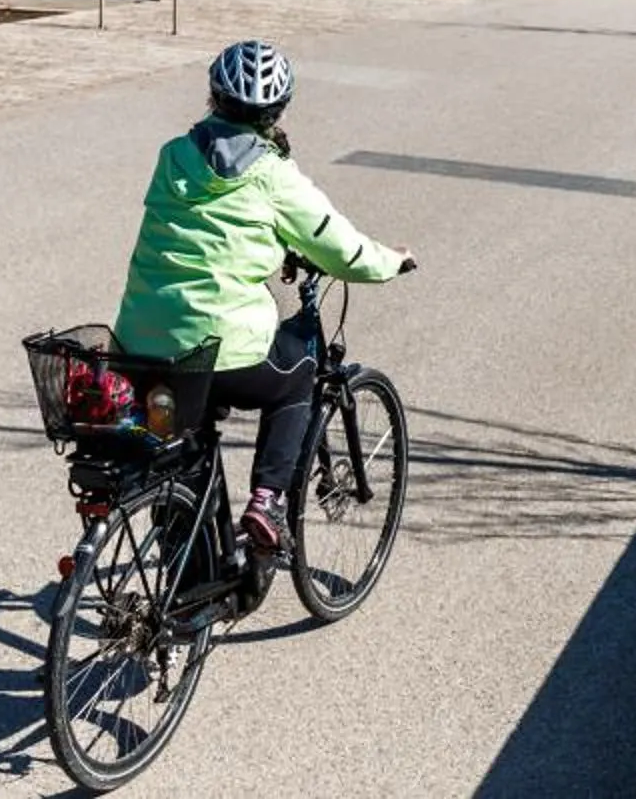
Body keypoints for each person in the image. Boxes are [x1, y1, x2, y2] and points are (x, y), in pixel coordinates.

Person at [114, 39, 413, 557]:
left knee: (179, 438)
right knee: (296, 377)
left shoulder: (174, 156)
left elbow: (200, 232)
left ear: (213, 97)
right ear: (277, 111)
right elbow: (340, 248)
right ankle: (269, 500)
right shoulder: (273, 175)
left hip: (141, 344)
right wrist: (391, 260)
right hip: (221, 350)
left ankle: (184, 561)